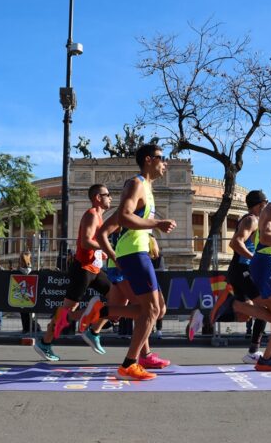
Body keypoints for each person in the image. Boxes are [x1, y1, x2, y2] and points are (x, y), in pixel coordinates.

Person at [81, 144, 177, 381]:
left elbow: (107, 228)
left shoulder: (147, 188)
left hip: (136, 253)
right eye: (161, 158)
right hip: (134, 254)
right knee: (152, 310)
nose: (165, 163)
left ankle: (102, 311)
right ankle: (129, 363)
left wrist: (150, 235)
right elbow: (125, 216)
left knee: (154, 310)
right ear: (148, 160)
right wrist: (156, 224)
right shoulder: (135, 184)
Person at [213, 174, 271, 372]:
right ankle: (267, 358)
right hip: (265, 263)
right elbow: (265, 236)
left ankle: (235, 305)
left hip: (266, 262)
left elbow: (267, 239)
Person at [33, 184, 114, 361]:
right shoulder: (92, 214)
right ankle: (45, 343)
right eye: (107, 194)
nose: (111, 197)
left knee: (117, 297)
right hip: (83, 269)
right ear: (98, 198)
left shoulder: (99, 216)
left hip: (95, 269)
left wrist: (102, 251)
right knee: (65, 313)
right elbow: (85, 242)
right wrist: (104, 247)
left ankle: (94, 331)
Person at [207, 190, 270, 364]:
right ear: (261, 204)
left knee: (245, 315)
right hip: (243, 269)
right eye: (266, 203)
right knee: (265, 308)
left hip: (240, 270)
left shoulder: (256, 221)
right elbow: (235, 242)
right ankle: (253, 351)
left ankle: (212, 314)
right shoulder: (251, 219)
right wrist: (254, 258)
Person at [18, 250, 42, 333]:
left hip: (27, 292)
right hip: (24, 293)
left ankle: (29, 327)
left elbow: (26, 272)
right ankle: (27, 327)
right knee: (25, 312)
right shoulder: (27, 268)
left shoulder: (27, 269)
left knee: (26, 312)